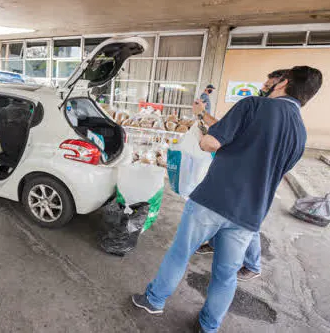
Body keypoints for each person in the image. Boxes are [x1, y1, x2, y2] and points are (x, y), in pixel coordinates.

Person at [131, 66, 322, 333]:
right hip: (250, 214)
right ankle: (208, 325)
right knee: (226, 274)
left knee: (180, 253)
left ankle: (154, 300)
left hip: (213, 199)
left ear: (283, 83)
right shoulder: (300, 134)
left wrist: (203, 137)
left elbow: (210, 143)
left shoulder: (254, 105)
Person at [195, 69, 290, 282]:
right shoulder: (258, 109)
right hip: (240, 175)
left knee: (247, 222)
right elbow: (226, 128)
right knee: (230, 215)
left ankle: (253, 265)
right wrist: (202, 114)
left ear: (282, 86)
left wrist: (203, 119)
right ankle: (215, 243)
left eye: (268, 87)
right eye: (263, 86)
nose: (263, 90)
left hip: (253, 180)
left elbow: (218, 136)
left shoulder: (267, 113)